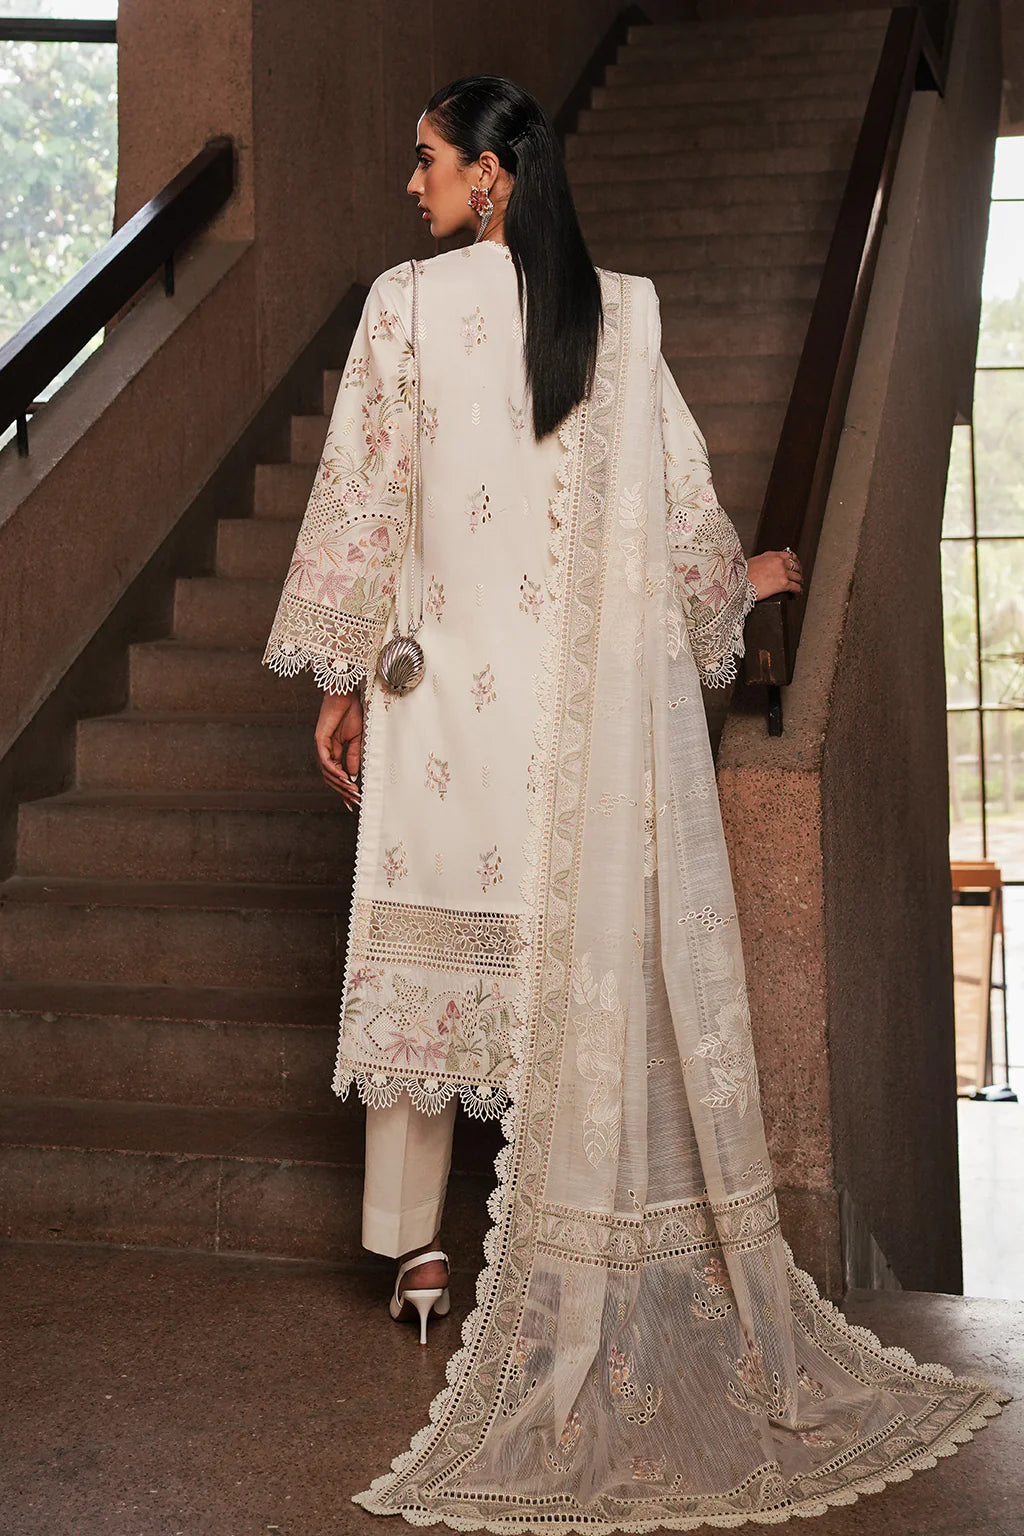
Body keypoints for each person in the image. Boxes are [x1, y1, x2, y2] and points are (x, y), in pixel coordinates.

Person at [263, 73, 1007, 1532]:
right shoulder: (617, 316)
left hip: (437, 699)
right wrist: (742, 582)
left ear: (489, 176)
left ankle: (416, 1253)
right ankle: (572, 1252)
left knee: (425, 954)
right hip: (563, 722)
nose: (412, 185)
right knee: (559, 972)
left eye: (427, 160)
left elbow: (365, 502)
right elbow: (670, 508)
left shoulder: (402, 308)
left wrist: (342, 676)